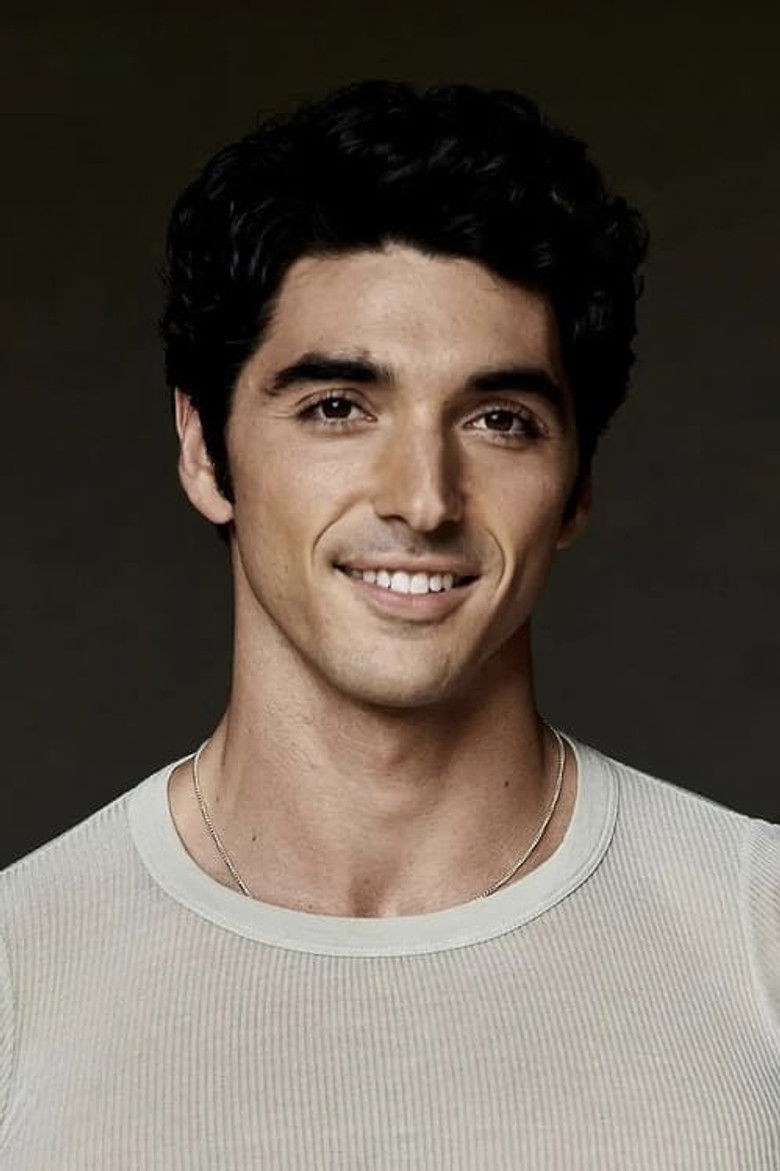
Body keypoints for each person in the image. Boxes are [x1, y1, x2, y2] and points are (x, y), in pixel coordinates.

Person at [0, 79, 777, 1169]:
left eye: (500, 419)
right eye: (336, 408)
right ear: (203, 450)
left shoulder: (757, 934)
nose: (423, 497)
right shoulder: (22, 970)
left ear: (577, 485)